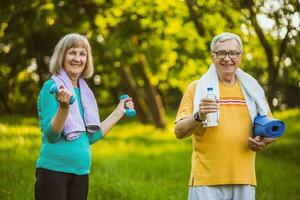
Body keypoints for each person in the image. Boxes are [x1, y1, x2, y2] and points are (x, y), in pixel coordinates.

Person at [174, 32, 276, 200]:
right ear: (212, 56)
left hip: (244, 179)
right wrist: (198, 115)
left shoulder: (253, 90)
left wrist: (262, 141)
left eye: (233, 53)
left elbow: (271, 129)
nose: (227, 58)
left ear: (240, 56)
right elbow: (178, 132)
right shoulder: (196, 88)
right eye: (221, 53)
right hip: (206, 181)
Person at [35, 33, 134, 200]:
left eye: (83, 54)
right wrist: (64, 108)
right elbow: (51, 135)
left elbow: (90, 136)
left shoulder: (85, 93)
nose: (77, 58)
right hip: (54, 170)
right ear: (62, 56)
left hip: (81, 172)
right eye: (72, 52)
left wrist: (119, 112)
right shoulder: (51, 87)